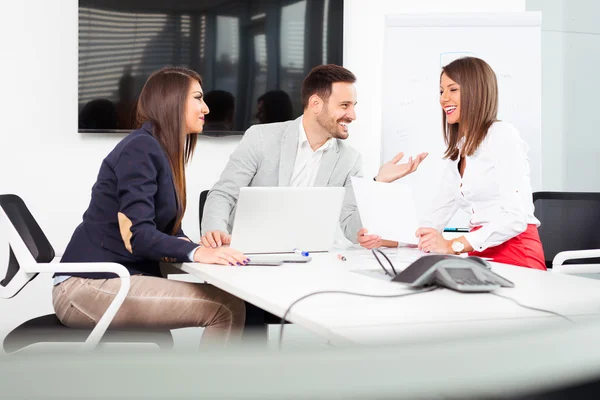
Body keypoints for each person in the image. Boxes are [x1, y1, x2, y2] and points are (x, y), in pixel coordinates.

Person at [53, 67, 249, 347]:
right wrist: (196, 252)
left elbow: (165, 229)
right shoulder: (141, 149)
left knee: (229, 301)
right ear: (172, 100)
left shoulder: (160, 150)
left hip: (111, 279)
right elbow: (140, 235)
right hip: (87, 287)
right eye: (197, 98)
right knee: (227, 307)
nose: (206, 107)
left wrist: (199, 246)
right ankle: (208, 390)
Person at [201, 64, 428, 248]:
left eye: (354, 106)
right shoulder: (261, 138)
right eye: (345, 105)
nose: (353, 115)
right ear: (316, 104)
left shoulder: (350, 159)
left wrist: (379, 184)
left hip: (309, 258)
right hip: (249, 254)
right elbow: (223, 193)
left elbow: (351, 227)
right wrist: (216, 233)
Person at [358, 57, 545, 271]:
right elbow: (431, 224)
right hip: (480, 257)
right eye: (441, 91)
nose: (443, 99)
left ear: (476, 92)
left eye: (452, 89)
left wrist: (452, 245)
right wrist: (385, 239)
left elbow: (515, 218)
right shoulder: (459, 153)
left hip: (518, 255)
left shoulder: (502, 135)